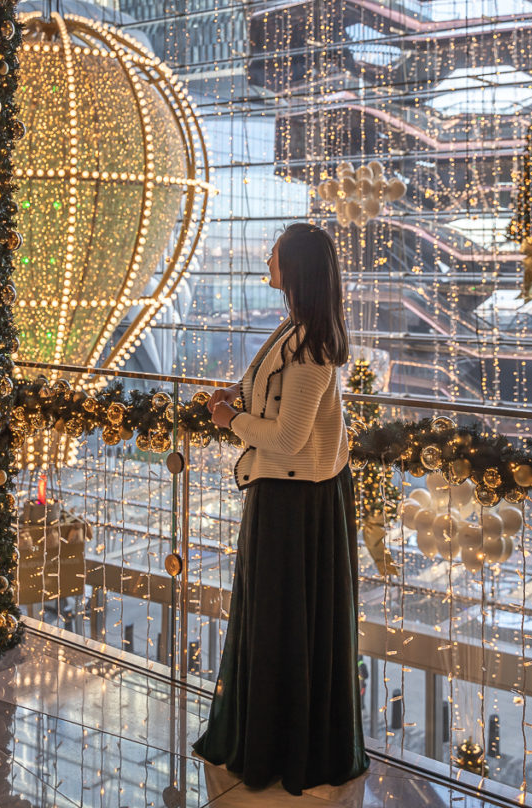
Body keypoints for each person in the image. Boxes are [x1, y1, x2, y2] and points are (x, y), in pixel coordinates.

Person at [193, 222, 369, 796]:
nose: (265, 259)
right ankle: (275, 740)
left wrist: (230, 421)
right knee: (283, 621)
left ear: (293, 269)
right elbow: (274, 401)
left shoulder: (311, 344)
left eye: (274, 254)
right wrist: (235, 399)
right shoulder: (296, 330)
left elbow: (290, 437)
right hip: (289, 495)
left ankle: (278, 746)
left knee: (281, 622)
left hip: (295, 501)